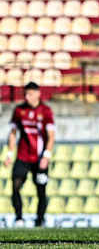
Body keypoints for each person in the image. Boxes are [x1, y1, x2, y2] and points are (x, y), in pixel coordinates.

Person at [5, 82, 54, 227]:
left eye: (30, 94)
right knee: (15, 185)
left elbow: (51, 136)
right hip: (23, 156)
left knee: (41, 190)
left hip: (40, 158)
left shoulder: (45, 111)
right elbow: (13, 133)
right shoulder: (19, 110)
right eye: (25, 94)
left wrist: (46, 156)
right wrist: (9, 153)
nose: (27, 97)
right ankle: (19, 218)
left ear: (38, 94)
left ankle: (40, 220)